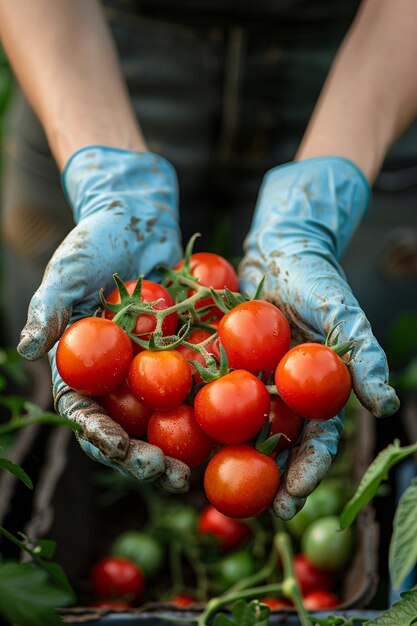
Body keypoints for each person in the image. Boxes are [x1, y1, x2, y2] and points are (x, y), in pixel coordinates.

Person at [0, 0, 415, 519]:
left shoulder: (187, 349)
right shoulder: (186, 351)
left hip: (365, 61)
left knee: (370, 343)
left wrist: (318, 204)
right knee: (40, 389)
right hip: (92, 54)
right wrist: (109, 177)